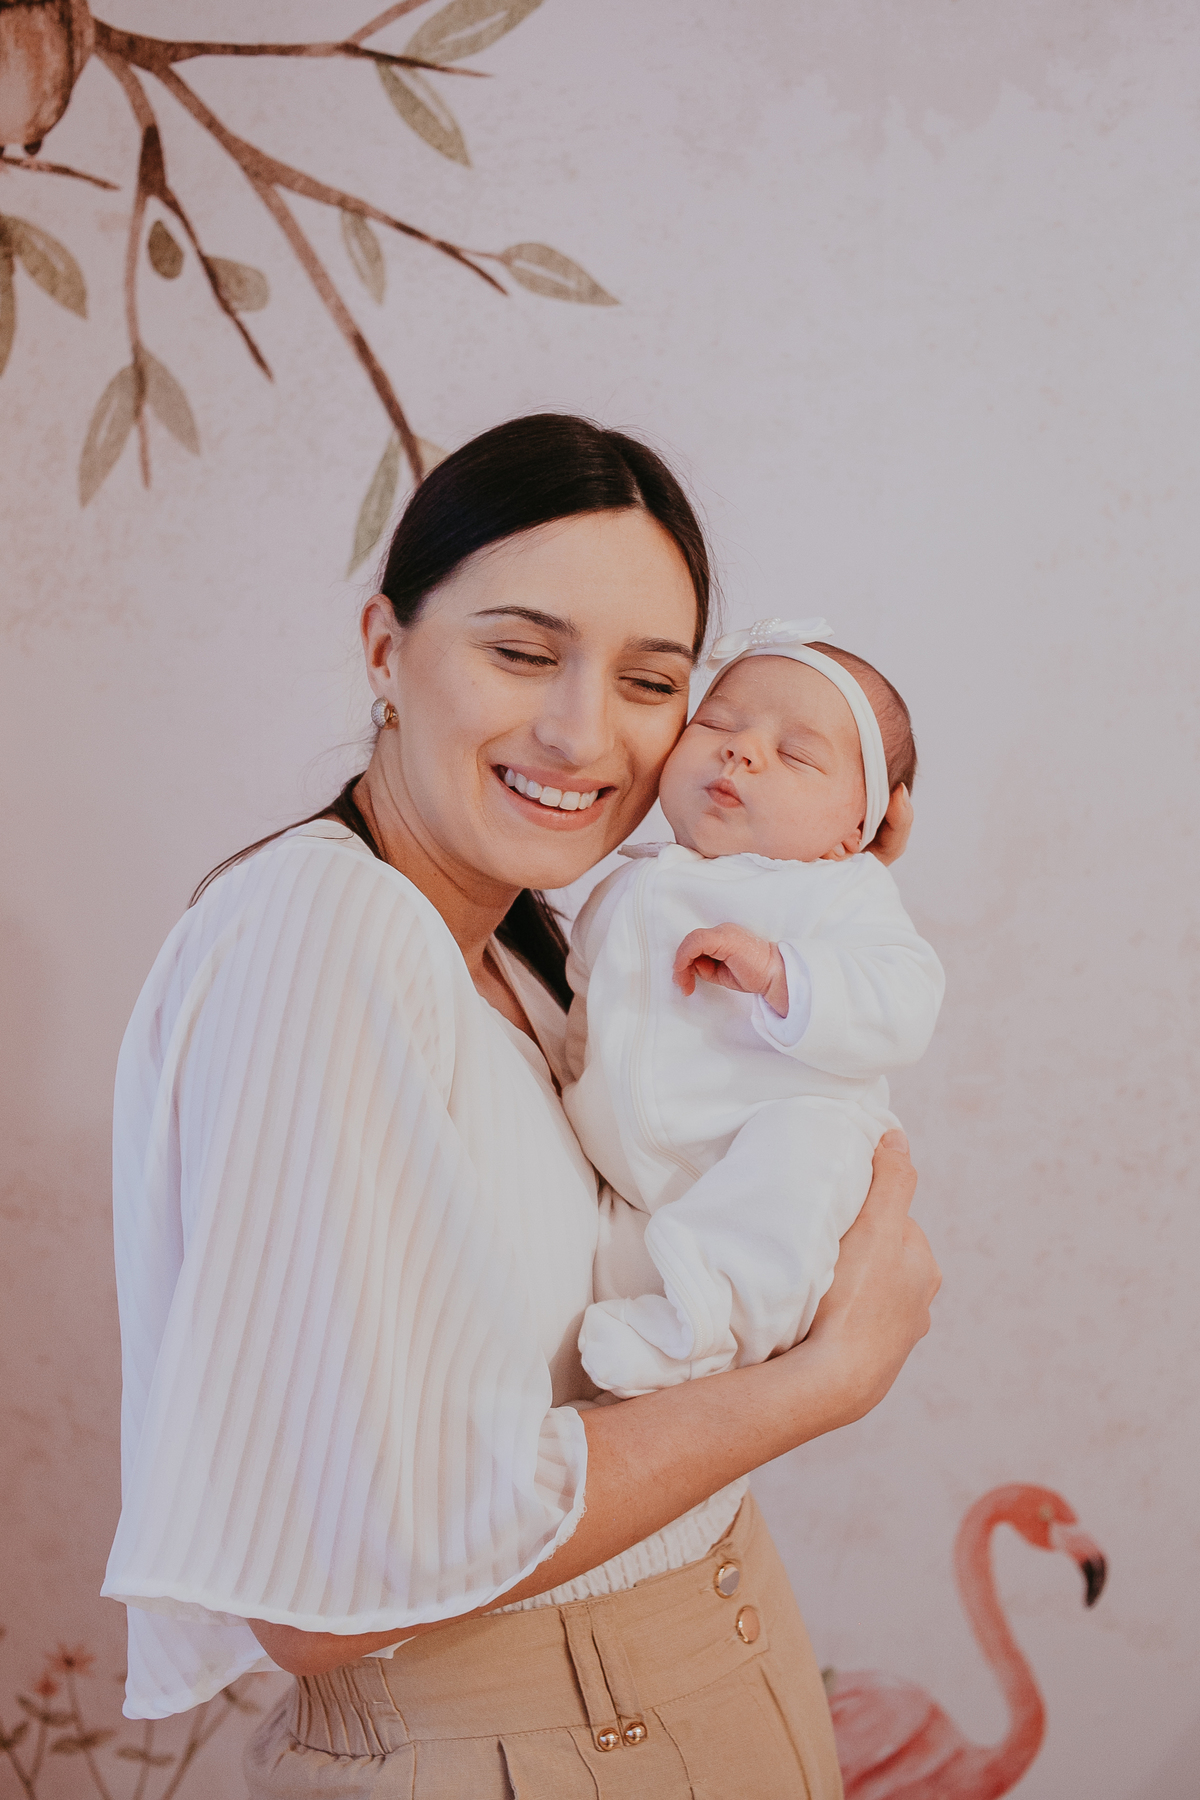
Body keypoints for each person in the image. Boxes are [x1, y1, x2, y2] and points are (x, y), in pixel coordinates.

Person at [101, 414, 940, 1798]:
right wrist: (820, 1385)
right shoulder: (328, 932)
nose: (580, 730)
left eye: (651, 680)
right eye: (522, 651)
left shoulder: (531, 946)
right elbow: (328, 1595)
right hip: (530, 1743)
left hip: (699, 1681)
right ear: (385, 647)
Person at [566, 619, 944, 1397]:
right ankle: (656, 1339)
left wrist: (783, 974)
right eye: (716, 723)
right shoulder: (628, 882)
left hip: (768, 1159)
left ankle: (711, 1331)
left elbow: (906, 999)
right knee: (598, 1289)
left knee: (804, 1150)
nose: (742, 750)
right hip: (638, 1181)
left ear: (858, 829)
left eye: (798, 754)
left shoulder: (837, 888)